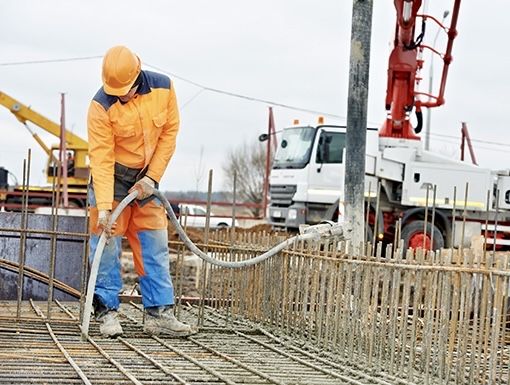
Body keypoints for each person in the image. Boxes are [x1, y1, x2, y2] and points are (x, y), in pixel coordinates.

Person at [87, 45, 194, 338]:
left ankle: (159, 314)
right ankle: (107, 313)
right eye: (115, 90)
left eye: (125, 89)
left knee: (153, 244)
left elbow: (169, 133)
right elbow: (101, 156)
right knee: (106, 246)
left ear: (138, 74)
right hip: (111, 178)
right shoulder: (100, 106)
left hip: (146, 181)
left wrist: (152, 177)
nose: (120, 94)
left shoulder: (163, 88)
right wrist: (106, 206)